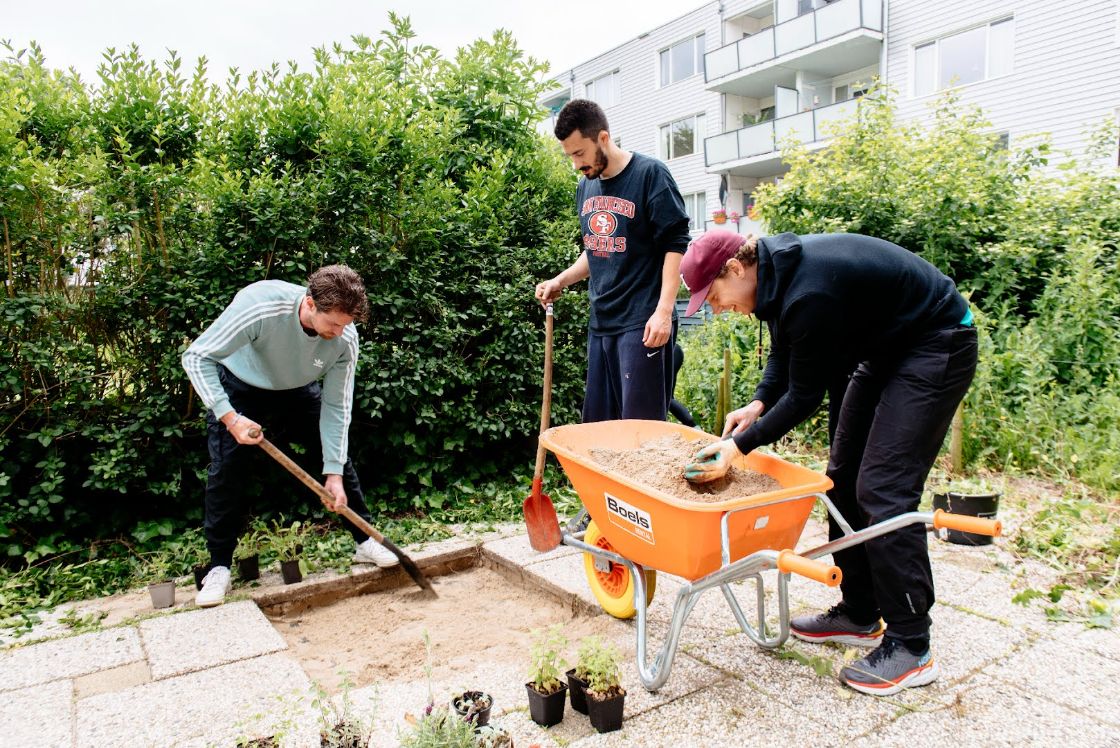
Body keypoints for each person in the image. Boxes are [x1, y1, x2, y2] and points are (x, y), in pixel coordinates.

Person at [680, 230, 977, 696]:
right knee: (840, 479)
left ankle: (913, 645)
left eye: (714, 296)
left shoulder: (808, 289)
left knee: (883, 488)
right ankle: (861, 613)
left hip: (936, 342)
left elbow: (804, 397)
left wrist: (739, 448)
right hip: (884, 350)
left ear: (736, 269)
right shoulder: (775, 279)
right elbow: (786, 351)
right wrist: (757, 404)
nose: (715, 308)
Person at [182, 265, 398, 608]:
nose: (341, 332)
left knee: (338, 460)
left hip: (297, 388)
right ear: (310, 304)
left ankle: (365, 541)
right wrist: (229, 417)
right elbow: (196, 357)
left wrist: (333, 472)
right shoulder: (260, 306)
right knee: (227, 470)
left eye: (347, 324)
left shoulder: (345, 336)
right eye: (334, 324)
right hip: (240, 387)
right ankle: (219, 566)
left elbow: (337, 408)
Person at [535, 99, 691, 422]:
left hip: (643, 324)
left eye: (580, 153)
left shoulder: (651, 175)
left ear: (603, 138)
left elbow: (675, 245)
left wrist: (663, 312)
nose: (576, 164)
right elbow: (596, 250)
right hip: (602, 323)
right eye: (570, 156)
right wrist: (560, 280)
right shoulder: (586, 186)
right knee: (600, 430)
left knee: (640, 433)